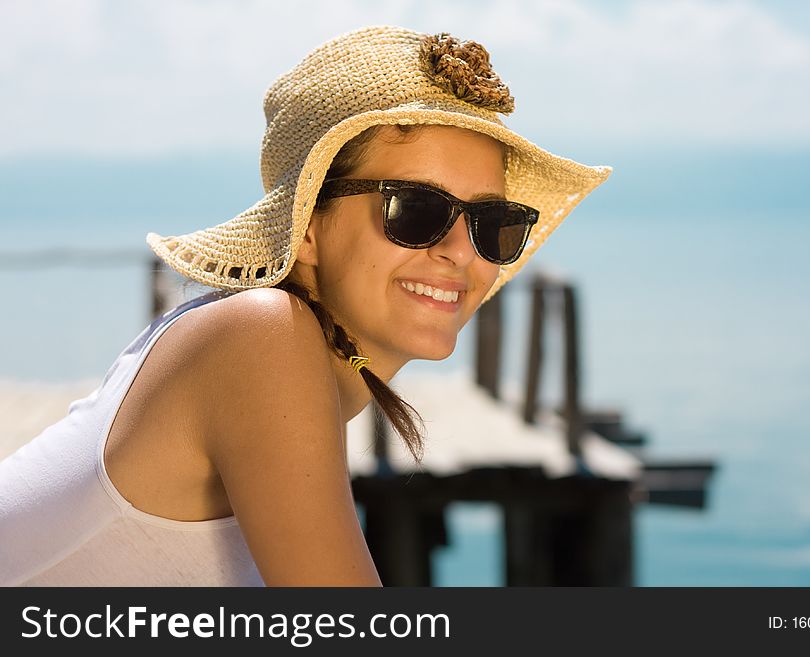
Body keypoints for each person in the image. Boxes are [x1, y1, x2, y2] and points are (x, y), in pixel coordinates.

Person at [0, 25, 610, 586]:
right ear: (308, 225)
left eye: (492, 223)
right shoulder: (260, 335)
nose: (460, 252)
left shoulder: (262, 348)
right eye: (415, 210)